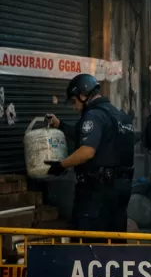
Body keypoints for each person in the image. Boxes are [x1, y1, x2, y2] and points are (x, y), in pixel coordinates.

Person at [45, 74, 135, 232]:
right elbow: (91, 136)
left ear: (83, 95)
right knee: (114, 239)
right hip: (121, 188)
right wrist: (60, 125)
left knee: (88, 240)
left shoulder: (94, 115)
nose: (74, 107)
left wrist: (61, 165)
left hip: (97, 192)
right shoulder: (119, 115)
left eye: (74, 101)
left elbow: (87, 151)